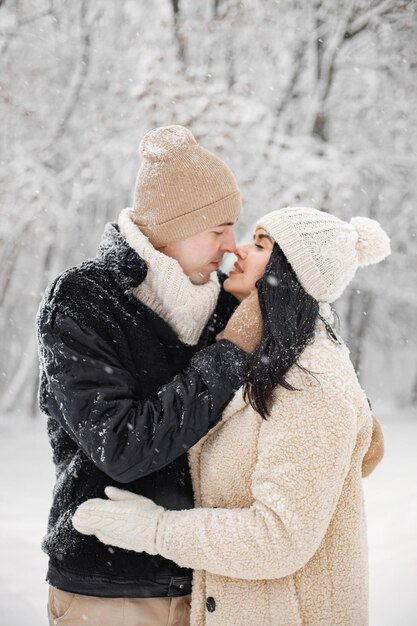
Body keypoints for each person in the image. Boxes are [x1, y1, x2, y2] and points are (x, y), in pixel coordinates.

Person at [73, 206, 390, 626]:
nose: (237, 251)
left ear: (290, 271)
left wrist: (158, 531)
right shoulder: (268, 359)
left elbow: (279, 538)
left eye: (259, 244)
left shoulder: (313, 380)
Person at [37, 125, 252, 626]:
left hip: (213, 584)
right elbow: (123, 446)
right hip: (113, 588)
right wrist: (230, 354)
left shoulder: (225, 303)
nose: (232, 246)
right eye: (219, 229)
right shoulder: (82, 300)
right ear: (175, 226)